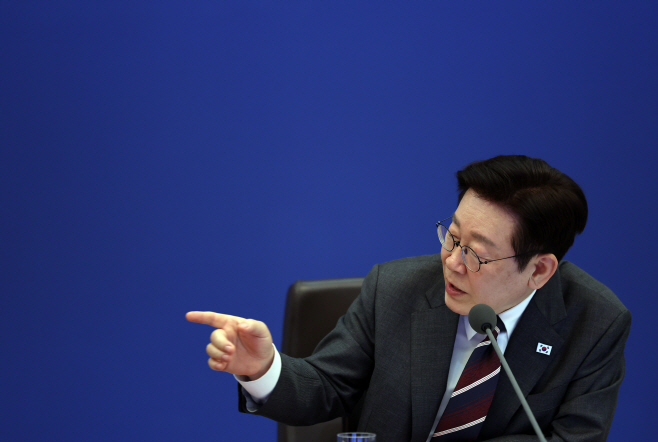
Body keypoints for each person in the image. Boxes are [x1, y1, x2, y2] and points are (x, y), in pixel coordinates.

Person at [187, 155, 631, 441]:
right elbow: (327, 388)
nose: (452, 262)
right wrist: (264, 368)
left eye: (476, 254)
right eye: (452, 236)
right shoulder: (395, 288)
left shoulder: (594, 323)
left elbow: (573, 438)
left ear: (539, 270)